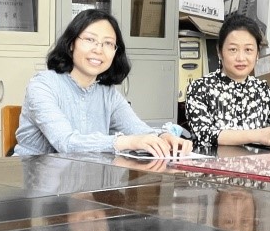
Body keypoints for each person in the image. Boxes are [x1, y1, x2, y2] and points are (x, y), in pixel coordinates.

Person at [14, 8, 192, 157]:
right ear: (71, 44)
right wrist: (125, 141)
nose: (98, 50)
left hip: (84, 180)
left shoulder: (108, 94)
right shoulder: (42, 85)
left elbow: (138, 130)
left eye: (108, 43)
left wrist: (163, 137)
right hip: (33, 179)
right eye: (90, 40)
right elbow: (66, 143)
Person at [183, 13, 270, 150]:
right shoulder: (200, 88)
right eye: (233, 49)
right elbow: (204, 134)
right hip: (215, 162)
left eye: (248, 50)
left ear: (257, 54)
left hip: (255, 163)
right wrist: (259, 135)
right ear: (219, 51)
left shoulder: (261, 89)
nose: (241, 58)